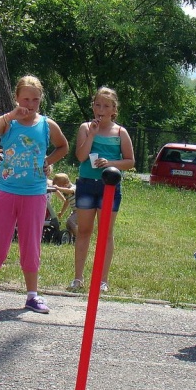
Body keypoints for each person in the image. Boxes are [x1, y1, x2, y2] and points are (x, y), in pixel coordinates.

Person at [0, 76, 69, 312]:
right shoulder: (9, 123)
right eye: (25, 99)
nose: (29, 104)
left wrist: (49, 161)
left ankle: (32, 294)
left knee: (31, 244)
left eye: (35, 99)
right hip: (6, 191)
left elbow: (63, 146)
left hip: (35, 193)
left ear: (41, 100)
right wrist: (10, 115)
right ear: (16, 98)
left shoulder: (46, 125)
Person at [70, 87, 135, 292]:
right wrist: (91, 135)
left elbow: (131, 161)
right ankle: (78, 278)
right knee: (84, 231)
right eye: (97, 105)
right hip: (87, 184)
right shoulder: (84, 127)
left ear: (114, 110)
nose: (101, 109)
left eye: (106, 106)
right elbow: (81, 157)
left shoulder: (120, 132)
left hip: (110, 188)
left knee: (105, 233)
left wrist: (110, 163)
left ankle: (102, 280)